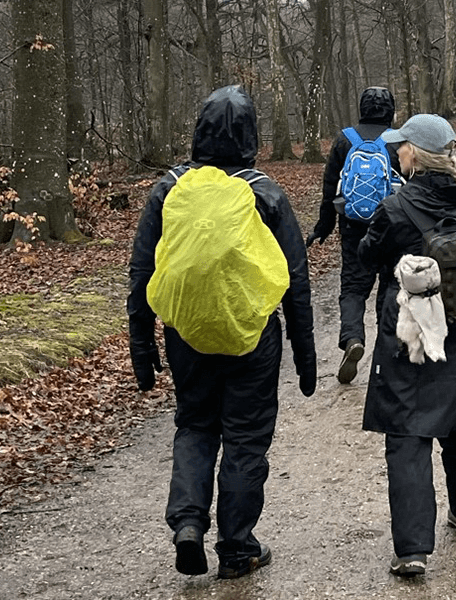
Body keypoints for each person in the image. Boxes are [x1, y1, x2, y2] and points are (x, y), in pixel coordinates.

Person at [127, 85, 317, 579]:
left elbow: (144, 270)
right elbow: (294, 278)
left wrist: (141, 343)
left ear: (199, 131)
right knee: (246, 440)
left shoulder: (170, 188)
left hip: (186, 332)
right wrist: (305, 352)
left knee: (195, 425)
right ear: (252, 133)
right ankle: (237, 547)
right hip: (254, 336)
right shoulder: (266, 191)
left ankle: (189, 523)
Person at [357, 114, 456, 577]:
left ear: (416, 154)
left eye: (402, 146)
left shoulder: (395, 208)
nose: (397, 152)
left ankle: (412, 548)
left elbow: (369, 255)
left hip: (410, 334)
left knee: (407, 432)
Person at [306, 87, 400, 384]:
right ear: (390, 109)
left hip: (353, 226)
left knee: (353, 288)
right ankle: (387, 350)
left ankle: (352, 339)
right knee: (389, 283)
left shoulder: (345, 138)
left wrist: (324, 226)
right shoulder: (398, 140)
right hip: (391, 225)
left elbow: (330, 186)